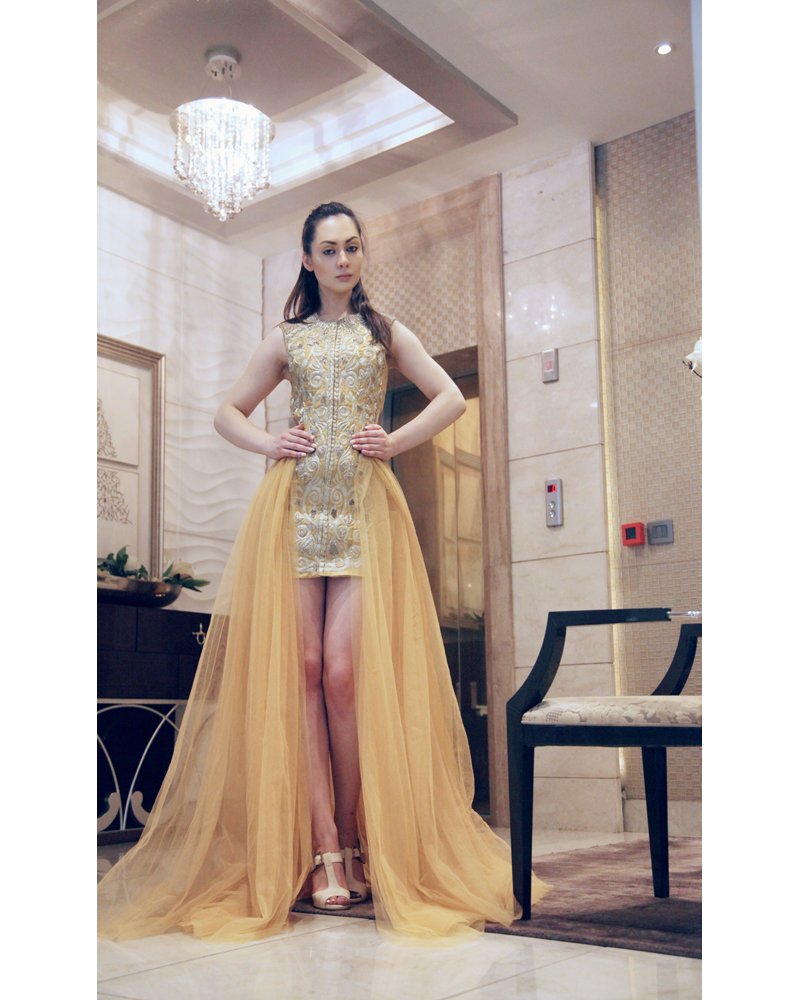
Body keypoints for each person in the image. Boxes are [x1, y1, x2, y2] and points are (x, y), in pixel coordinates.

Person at [97, 201, 548, 942]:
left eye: (353, 247)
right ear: (307, 259)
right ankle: (324, 849)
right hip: (296, 508)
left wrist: (394, 441)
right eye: (330, 250)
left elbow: (449, 397)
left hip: (365, 510)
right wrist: (269, 443)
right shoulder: (287, 338)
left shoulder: (385, 331)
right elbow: (227, 412)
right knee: (303, 669)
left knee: (343, 674)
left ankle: (355, 834)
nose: (344, 260)